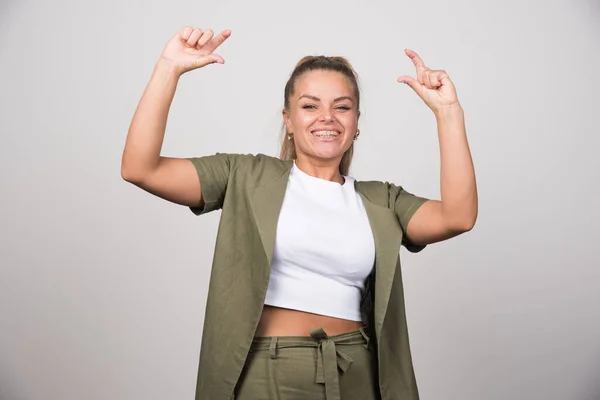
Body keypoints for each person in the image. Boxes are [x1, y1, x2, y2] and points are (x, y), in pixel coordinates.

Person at [121, 26, 477, 400]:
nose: (327, 117)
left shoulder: (382, 201)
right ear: (289, 120)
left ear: (356, 123)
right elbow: (140, 168)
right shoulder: (244, 176)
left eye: (342, 107)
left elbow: (459, 216)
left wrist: (448, 113)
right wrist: (168, 68)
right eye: (310, 106)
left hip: (356, 368)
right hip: (267, 370)